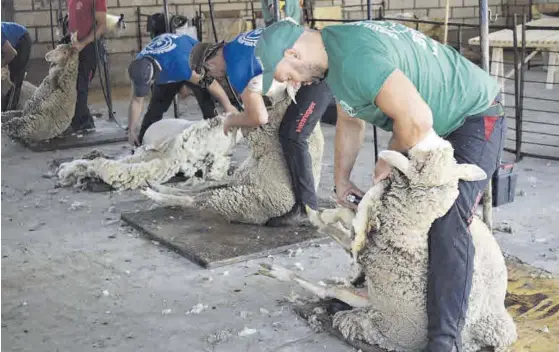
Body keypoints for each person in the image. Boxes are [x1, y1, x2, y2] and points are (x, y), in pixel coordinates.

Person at [255, 19, 506, 351]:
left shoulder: (356, 58)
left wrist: (387, 160)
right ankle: (392, 293)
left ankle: (446, 340)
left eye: (288, 75)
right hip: (434, 118)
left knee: (447, 215)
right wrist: (341, 180)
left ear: (293, 52)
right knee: (390, 211)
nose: (293, 83)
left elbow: (417, 121)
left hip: (471, 116)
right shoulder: (335, 56)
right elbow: (350, 118)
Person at [189, 27, 333, 227]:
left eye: (211, 73)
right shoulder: (239, 43)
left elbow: (259, 118)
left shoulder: (237, 69)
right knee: (291, 129)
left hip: (317, 71)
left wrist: (231, 121)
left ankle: (306, 208)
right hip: (318, 53)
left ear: (210, 63)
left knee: (293, 135)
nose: (217, 78)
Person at [127, 32, 239, 146]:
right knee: (156, 107)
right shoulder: (139, 66)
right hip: (170, 62)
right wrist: (131, 129)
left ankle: (215, 139)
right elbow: (137, 100)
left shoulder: (181, 65)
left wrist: (227, 105)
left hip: (190, 59)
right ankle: (142, 143)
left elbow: (211, 84)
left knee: (206, 102)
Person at [63, 0, 107, 134]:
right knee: (72, 85)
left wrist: (84, 43)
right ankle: (84, 121)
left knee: (80, 86)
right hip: (74, 45)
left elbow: (102, 25)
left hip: (89, 47)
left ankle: (80, 123)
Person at [1, 21, 32, 112]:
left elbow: (12, 53)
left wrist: (1, 65)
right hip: (10, 44)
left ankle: (9, 112)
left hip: (22, 40)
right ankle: (6, 105)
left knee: (15, 79)